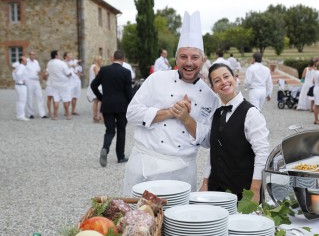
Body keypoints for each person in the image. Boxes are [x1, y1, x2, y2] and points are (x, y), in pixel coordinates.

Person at [123, 11, 219, 195]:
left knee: (178, 221)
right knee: (137, 219)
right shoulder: (156, 79)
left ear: (203, 61)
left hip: (182, 169)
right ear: (176, 58)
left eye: (194, 57)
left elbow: (208, 141)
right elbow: (132, 113)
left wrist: (186, 119)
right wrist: (170, 112)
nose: (189, 62)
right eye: (183, 57)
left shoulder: (210, 98)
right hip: (145, 164)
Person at [199, 63, 269, 202]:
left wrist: (255, 190)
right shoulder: (217, 113)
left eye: (226, 76)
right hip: (216, 188)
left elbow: (262, 153)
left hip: (242, 190)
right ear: (213, 88)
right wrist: (205, 182)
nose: (223, 82)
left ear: (235, 78)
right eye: (217, 80)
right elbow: (214, 151)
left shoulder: (251, 113)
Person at [91, 50, 133, 167]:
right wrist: (132, 105)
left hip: (107, 104)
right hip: (122, 106)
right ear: (123, 60)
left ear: (112, 58)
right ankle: (120, 156)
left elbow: (93, 85)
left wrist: (101, 98)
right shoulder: (126, 72)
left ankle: (105, 148)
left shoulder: (104, 70)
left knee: (109, 130)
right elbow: (129, 92)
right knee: (121, 130)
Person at [46, 50, 72, 120]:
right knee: (66, 99)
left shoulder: (49, 63)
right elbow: (67, 73)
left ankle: (55, 115)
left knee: (56, 100)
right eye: (59, 54)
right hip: (63, 84)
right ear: (56, 56)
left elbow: (48, 72)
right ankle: (68, 115)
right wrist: (70, 74)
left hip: (54, 84)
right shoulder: (62, 63)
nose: (60, 55)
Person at [25, 51, 47, 119]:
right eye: (31, 54)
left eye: (34, 55)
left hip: (36, 81)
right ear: (29, 55)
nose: (33, 56)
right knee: (29, 97)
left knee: (40, 96)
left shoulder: (36, 62)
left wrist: (41, 76)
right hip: (29, 80)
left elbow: (38, 70)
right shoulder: (26, 61)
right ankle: (30, 114)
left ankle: (42, 113)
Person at [12, 57, 29, 121]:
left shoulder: (17, 67)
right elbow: (19, 74)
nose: (26, 61)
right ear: (22, 61)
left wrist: (17, 80)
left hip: (17, 85)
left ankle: (19, 115)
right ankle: (21, 116)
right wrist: (21, 80)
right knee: (22, 101)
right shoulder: (22, 67)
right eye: (25, 60)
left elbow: (13, 74)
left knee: (18, 101)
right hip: (21, 85)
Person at [87, 56, 103, 123]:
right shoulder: (96, 66)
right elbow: (97, 75)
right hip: (96, 85)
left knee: (95, 101)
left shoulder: (91, 66)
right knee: (98, 101)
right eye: (100, 60)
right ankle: (97, 116)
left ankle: (95, 116)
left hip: (92, 84)